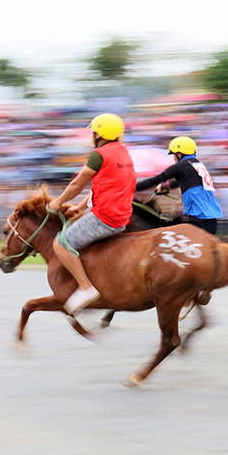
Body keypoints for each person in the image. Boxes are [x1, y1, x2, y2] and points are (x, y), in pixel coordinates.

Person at [47, 113, 136, 314]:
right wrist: (81, 206)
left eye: (94, 131)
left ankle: (86, 288)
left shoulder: (98, 154)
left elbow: (77, 183)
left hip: (105, 218)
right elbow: (105, 185)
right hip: (122, 214)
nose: (92, 135)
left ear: (101, 134)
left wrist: (58, 202)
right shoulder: (123, 151)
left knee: (61, 244)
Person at [135, 136, 223, 235]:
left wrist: (132, 188)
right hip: (210, 221)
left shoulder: (180, 167)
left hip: (197, 222)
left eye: (174, 155)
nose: (174, 159)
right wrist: (166, 186)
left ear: (179, 153)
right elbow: (182, 181)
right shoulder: (198, 165)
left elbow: (154, 180)